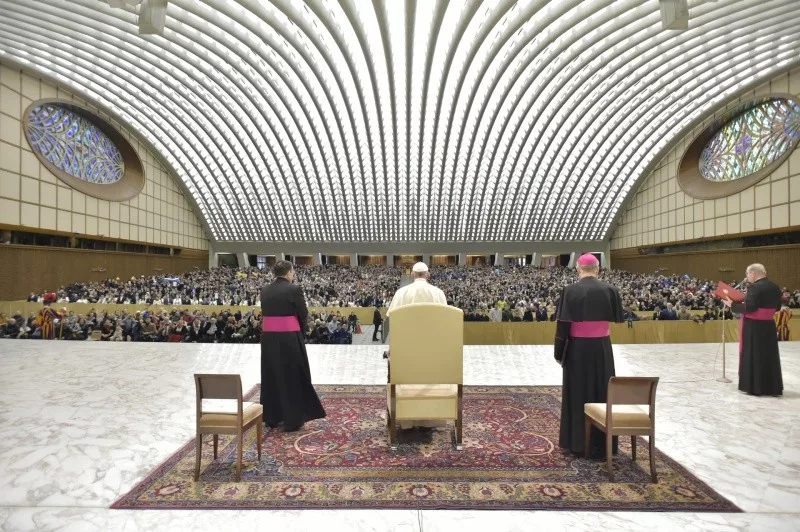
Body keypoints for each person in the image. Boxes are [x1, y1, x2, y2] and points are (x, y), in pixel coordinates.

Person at [554, 253, 624, 458]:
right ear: (598, 269)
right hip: (602, 349)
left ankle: (577, 443)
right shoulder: (611, 290)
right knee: (602, 392)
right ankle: (602, 445)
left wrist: (559, 354)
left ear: (578, 269)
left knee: (577, 394)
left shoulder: (570, 291)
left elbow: (563, 326)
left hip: (577, 351)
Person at [260, 260, 326, 432]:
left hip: (268, 339)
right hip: (289, 337)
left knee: (272, 373)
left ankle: (272, 417)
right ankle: (293, 418)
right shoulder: (294, 289)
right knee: (292, 375)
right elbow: (303, 314)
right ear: (289, 273)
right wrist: (300, 334)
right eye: (293, 272)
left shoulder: (264, 290)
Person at [385, 261, 448, 429]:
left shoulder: (401, 293)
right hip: (432, 351)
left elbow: (395, 324)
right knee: (429, 381)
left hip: (406, 350)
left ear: (412, 275)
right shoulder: (439, 293)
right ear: (427, 274)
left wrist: (392, 348)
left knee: (407, 381)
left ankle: (407, 421)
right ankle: (430, 419)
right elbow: (444, 324)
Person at [723, 263, 783, 396]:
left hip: (754, 327)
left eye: (747, 274)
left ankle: (755, 387)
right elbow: (778, 307)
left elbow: (750, 308)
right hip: (769, 325)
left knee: (754, 354)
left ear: (753, 273)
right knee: (769, 356)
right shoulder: (775, 287)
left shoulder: (754, 287)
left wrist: (732, 305)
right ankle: (771, 387)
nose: (747, 276)